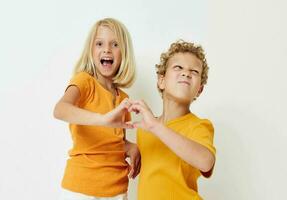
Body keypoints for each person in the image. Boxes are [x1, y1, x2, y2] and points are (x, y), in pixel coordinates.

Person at [53, 18, 140, 200]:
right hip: (81, 186)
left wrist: (131, 147)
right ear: (91, 51)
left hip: (116, 189)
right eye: (99, 43)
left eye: (115, 44)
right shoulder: (84, 81)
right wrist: (102, 119)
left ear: (124, 53)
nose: (107, 49)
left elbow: (112, 142)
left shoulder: (123, 100)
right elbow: (60, 109)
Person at [129, 40, 216, 200]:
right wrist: (129, 147)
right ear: (161, 81)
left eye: (194, 72)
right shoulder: (145, 128)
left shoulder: (199, 126)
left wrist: (156, 126)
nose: (186, 73)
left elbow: (206, 162)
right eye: (178, 68)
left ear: (200, 90)